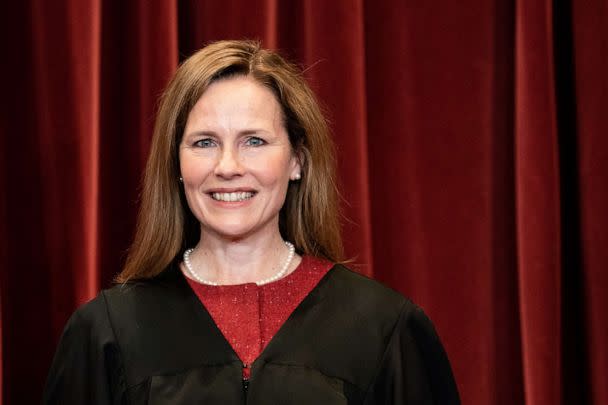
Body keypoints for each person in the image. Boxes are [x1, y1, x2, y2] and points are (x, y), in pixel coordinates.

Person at [43, 40, 460, 404]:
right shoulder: (105, 334)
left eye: (254, 141)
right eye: (205, 142)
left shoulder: (384, 329)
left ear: (297, 160)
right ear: (177, 163)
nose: (228, 166)